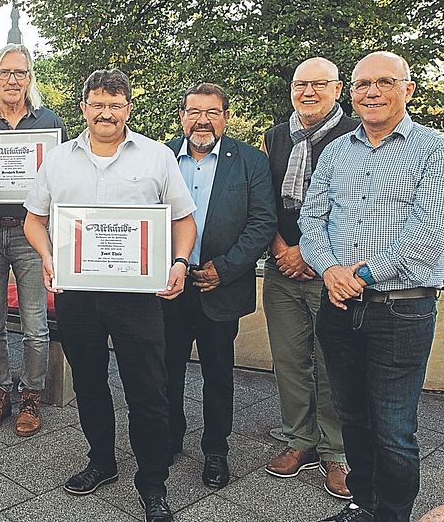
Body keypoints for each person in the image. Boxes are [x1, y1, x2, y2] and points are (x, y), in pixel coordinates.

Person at [23, 69, 196, 522]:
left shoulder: (157, 156)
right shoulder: (58, 159)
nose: (106, 113)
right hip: (78, 293)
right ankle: (101, 461)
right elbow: (33, 220)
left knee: (147, 389)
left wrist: (179, 262)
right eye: (97, 104)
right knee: (89, 384)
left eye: (115, 105)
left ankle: (153, 483)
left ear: (128, 108)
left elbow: (183, 220)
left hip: (138, 296)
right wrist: (46, 256)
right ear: (83, 107)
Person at [300, 51, 444, 522]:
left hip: (401, 310)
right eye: (362, 84)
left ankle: (394, 515)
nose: (372, 92)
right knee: (353, 417)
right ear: (351, 92)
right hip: (338, 306)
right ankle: (364, 503)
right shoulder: (337, 151)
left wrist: (356, 275)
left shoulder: (433, 150)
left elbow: (427, 235)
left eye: (384, 82)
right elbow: (311, 218)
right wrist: (329, 270)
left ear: (409, 89)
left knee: (394, 427)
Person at [162, 83, 276, 490]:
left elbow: (262, 223)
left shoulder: (250, 161)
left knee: (218, 374)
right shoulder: (162, 158)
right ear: (182, 116)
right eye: (194, 111)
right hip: (170, 287)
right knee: (167, 370)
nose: (202, 120)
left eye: (212, 111)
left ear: (225, 116)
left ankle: (215, 450)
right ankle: (170, 440)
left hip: (220, 286)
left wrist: (224, 269)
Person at [0, 44, 67, 437]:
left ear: (30, 78)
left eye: (20, 73)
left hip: (30, 233)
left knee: (36, 324)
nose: (12, 80)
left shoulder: (50, 123)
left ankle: (31, 396)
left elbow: (61, 179)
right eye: (5, 73)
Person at [262, 57, 357, 500]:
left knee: (332, 361)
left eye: (320, 84)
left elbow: (356, 208)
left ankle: (336, 451)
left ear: (338, 89)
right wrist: (282, 248)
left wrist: (309, 253)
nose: (309, 92)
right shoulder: (277, 137)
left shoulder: (356, 135)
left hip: (332, 270)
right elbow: (264, 199)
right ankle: (299, 440)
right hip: (282, 267)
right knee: (289, 359)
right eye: (301, 84)